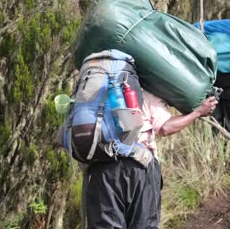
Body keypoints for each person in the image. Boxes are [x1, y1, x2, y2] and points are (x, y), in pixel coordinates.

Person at [84, 91, 218, 228]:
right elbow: (165, 127)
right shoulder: (146, 92)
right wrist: (198, 112)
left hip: (102, 167)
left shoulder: (96, 92)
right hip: (139, 167)